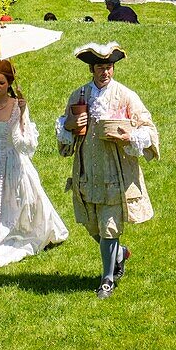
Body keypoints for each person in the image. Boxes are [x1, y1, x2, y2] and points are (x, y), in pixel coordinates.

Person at [56, 43, 160, 299]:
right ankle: (120, 254)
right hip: (86, 171)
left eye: (109, 67)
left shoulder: (126, 96)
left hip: (115, 173)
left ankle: (107, 280)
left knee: (109, 228)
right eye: (101, 68)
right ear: (92, 69)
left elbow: (149, 130)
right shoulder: (79, 96)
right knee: (93, 226)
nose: (105, 72)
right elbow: (65, 131)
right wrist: (69, 125)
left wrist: (129, 136)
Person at [0, 60, 68, 271]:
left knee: (19, 206)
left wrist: (23, 115)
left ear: (9, 83)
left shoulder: (18, 107)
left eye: (2, 82)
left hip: (12, 162)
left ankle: (24, 235)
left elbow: (26, 145)